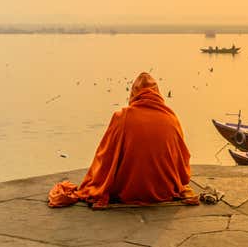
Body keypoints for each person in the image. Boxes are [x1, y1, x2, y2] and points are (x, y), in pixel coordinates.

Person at [48, 72, 198, 209]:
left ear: (134, 93)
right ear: (158, 93)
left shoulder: (122, 117)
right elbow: (181, 161)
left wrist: (96, 181)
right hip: (164, 189)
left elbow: (105, 157)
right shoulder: (171, 118)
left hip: (128, 191)